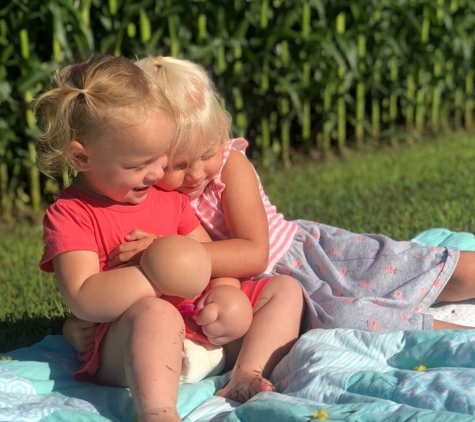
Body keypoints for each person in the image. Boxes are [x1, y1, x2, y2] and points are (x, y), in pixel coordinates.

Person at [107, 55, 475, 335]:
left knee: (408, 266)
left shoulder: (228, 167)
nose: (197, 172)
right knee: (353, 322)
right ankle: (461, 338)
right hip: (272, 294)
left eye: (206, 153)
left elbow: (254, 252)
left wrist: (167, 254)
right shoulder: (149, 195)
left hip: (311, 256)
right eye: (178, 165)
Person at [36, 53, 304, 421]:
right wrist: (151, 274)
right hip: (133, 347)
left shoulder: (168, 198)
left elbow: (204, 257)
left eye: (160, 158)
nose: (156, 172)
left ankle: (247, 373)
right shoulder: (71, 214)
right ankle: (159, 411)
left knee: (284, 290)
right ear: (82, 158)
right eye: (138, 164)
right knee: (156, 313)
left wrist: (225, 293)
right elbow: (83, 297)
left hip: (200, 327)